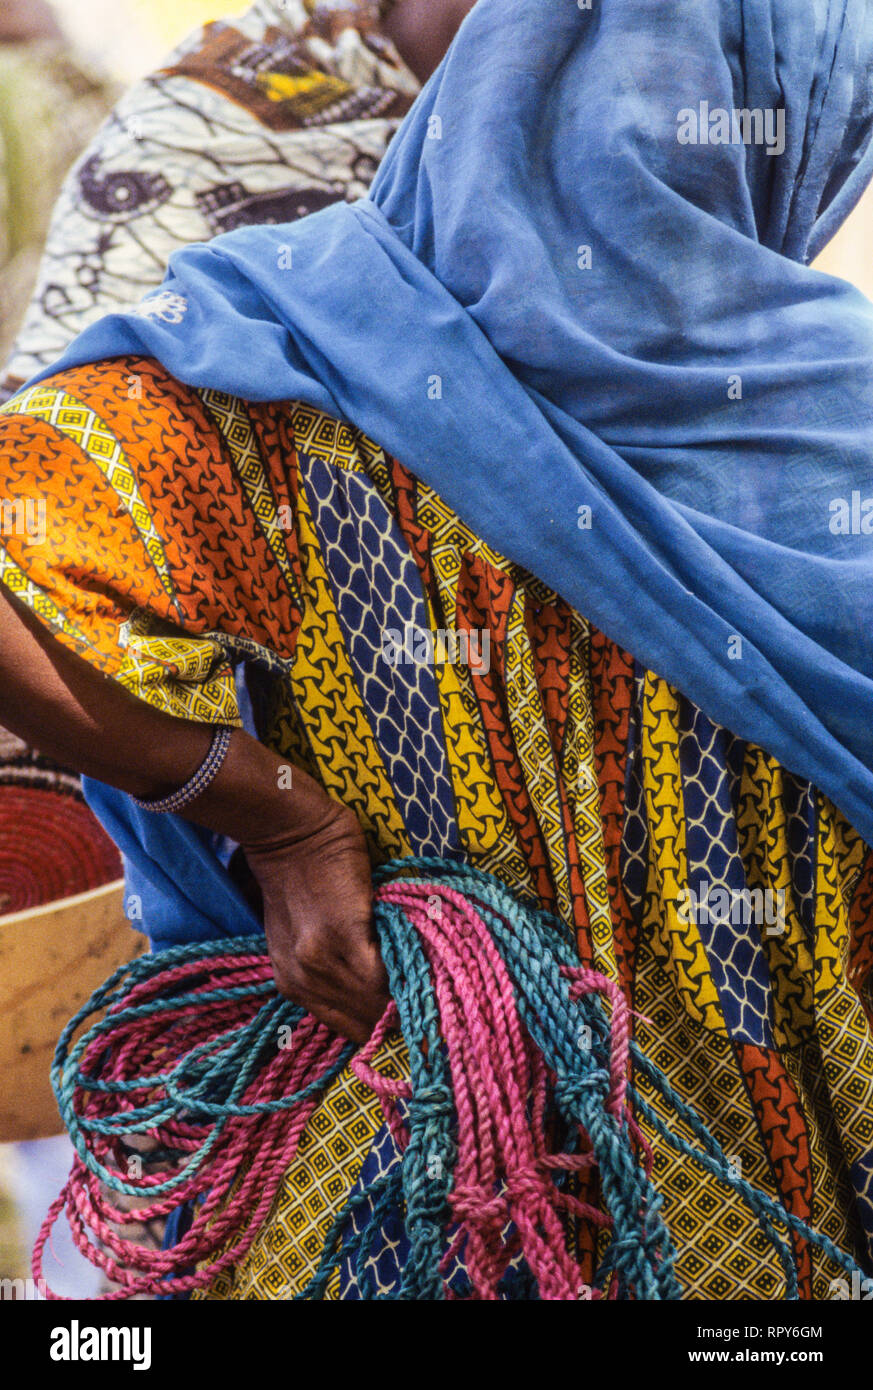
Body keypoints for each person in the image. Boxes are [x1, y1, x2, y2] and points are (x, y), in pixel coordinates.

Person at [1, 0, 872, 1300]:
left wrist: (274, 815)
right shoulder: (835, 437)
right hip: (750, 1233)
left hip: (365, 1213)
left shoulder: (280, 358)